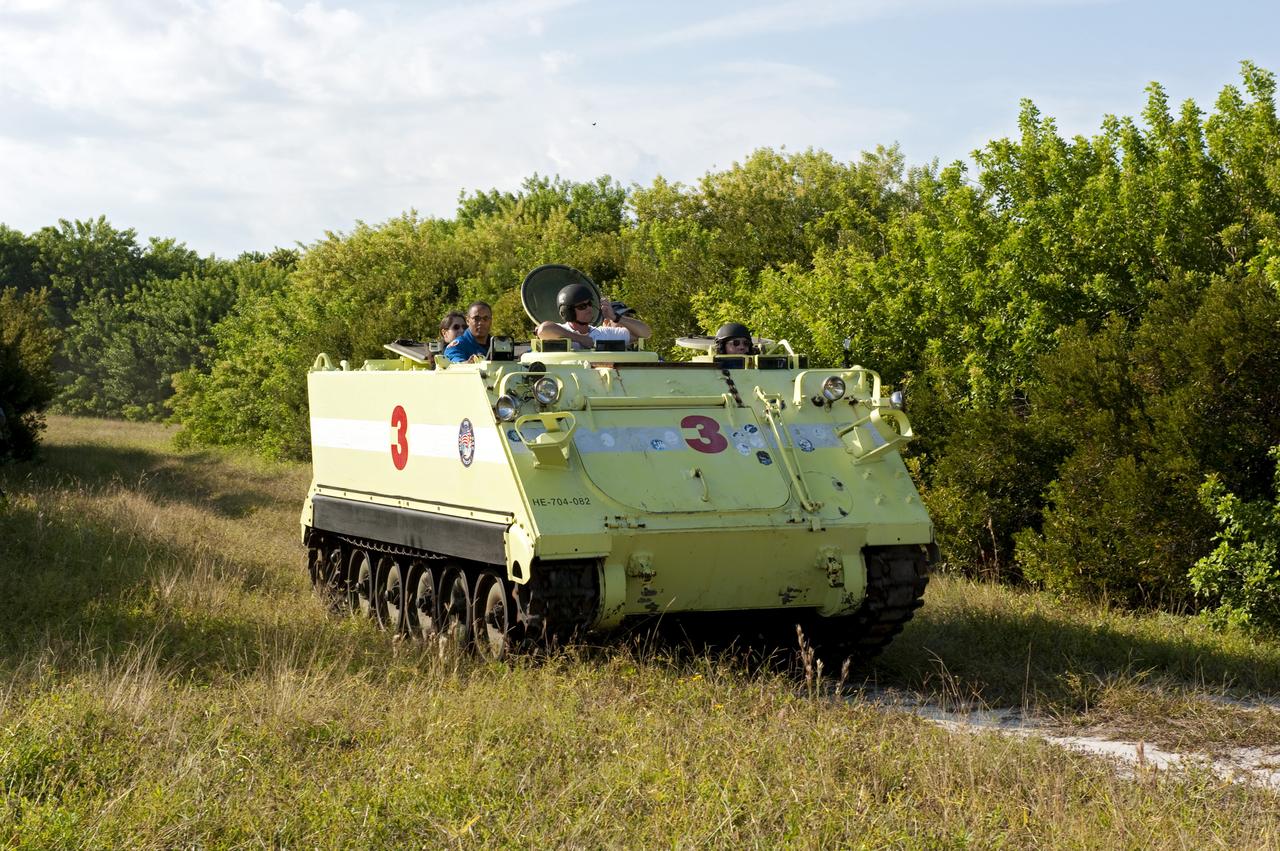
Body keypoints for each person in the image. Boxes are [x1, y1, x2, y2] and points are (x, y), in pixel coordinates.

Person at [536, 282, 651, 349]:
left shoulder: (603, 333)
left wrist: (616, 317)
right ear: (568, 312)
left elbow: (645, 333)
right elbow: (543, 330)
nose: (589, 308)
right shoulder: (561, 331)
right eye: (582, 306)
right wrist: (580, 339)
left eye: (589, 304)